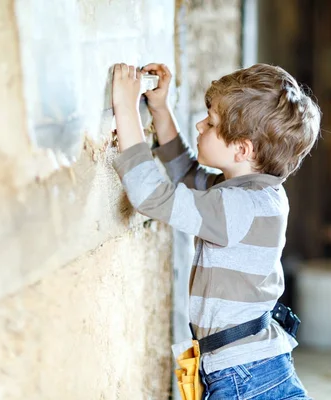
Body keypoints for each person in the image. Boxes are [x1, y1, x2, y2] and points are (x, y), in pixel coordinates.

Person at [111, 62, 320, 399]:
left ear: (242, 149)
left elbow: (151, 197)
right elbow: (189, 176)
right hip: (251, 366)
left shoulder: (239, 206)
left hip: (242, 374)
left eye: (211, 123)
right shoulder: (256, 193)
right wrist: (160, 109)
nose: (200, 124)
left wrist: (125, 110)